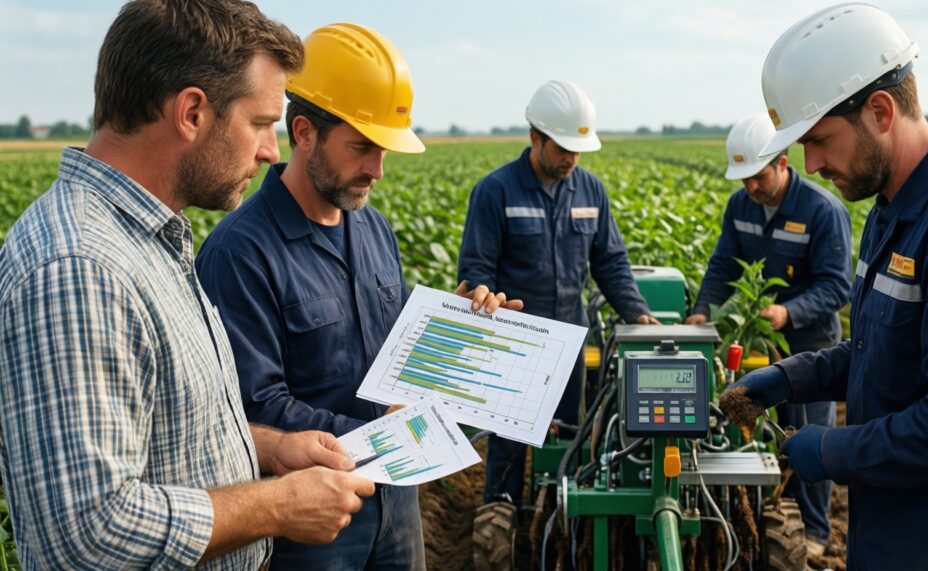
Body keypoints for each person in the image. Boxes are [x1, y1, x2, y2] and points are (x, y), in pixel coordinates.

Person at [0, 2, 378, 569]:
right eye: (259, 123)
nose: (272, 150)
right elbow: (88, 533)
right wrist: (274, 505)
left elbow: (168, 434)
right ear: (193, 112)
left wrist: (269, 446)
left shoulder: (147, 239)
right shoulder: (80, 269)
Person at [195, 23, 520, 570]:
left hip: (396, 508)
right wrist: (384, 432)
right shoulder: (240, 253)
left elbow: (395, 349)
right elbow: (250, 410)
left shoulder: (372, 229)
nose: (377, 169)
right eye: (362, 148)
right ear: (303, 133)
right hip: (310, 528)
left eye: (383, 149)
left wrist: (460, 329)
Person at [724, 3, 928, 568]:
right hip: (893, 521)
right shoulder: (891, 210)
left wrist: (833, 449)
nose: (810, 165)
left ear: (881, 111)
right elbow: (879, 350)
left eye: (819, 139)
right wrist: (789, 378)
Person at [457, 80, 657, 509]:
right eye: (563, 148)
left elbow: (611, 264)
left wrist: (638, 314)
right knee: (508, 444)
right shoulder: (495, 192)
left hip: (570, 342)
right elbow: (476, 268)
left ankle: (557, 514)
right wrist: (482, 292)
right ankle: (504, 510)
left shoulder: (590, 191)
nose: (571, 158)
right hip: (514, 346)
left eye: (577, 149)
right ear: (535, 138)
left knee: (568, 438)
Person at [685, 111, 851, 554]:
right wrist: (703, 311)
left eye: (757, 177)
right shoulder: (741, 206)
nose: (751, 188)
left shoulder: (822, 210)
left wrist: (787, 311)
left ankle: (814, 532)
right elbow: (723, 265)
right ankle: (774, 519)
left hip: (811, 347)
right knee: (766, 435)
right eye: (744, 180)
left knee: (809, 441)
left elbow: (838, 285)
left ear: (781, 163)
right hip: (764, 345)